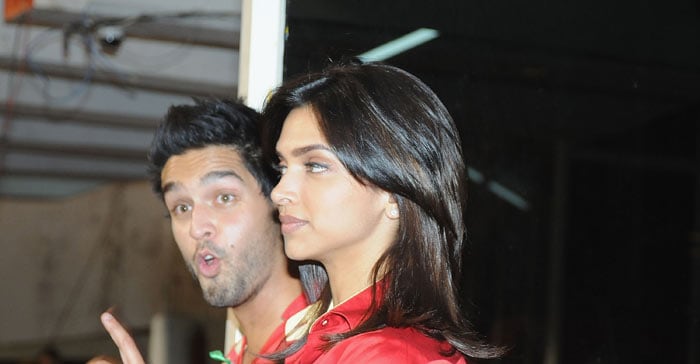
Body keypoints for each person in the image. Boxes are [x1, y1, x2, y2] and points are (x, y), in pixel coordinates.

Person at [260, 61, 506, 362]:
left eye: (315, 165)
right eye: (283, 167)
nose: (279, 191)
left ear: (394, 193)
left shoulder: (387, 355)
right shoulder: (335, 338)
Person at [91, 98, 310, 364]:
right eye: (181, 207)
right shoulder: (241, 356)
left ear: (278, 203)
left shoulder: (328, 350)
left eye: (224, 198)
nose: (197, 228)